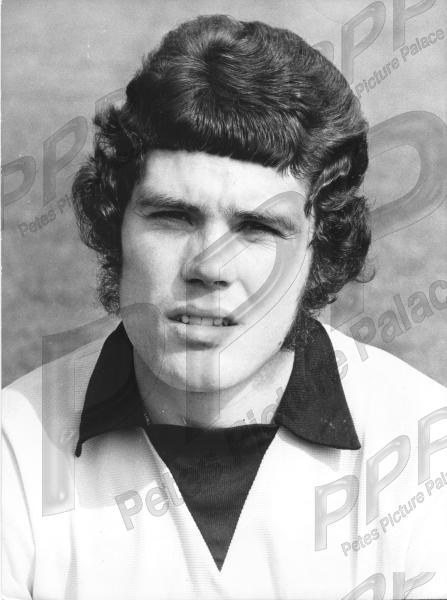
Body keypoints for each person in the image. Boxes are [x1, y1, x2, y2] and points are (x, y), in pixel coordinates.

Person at [2, 14, 446, 600]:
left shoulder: (427, 448)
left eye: (258, 228)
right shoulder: (17, 445)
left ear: (320, 249)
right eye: (172, 216)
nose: (208, 267)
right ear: (117, 227)